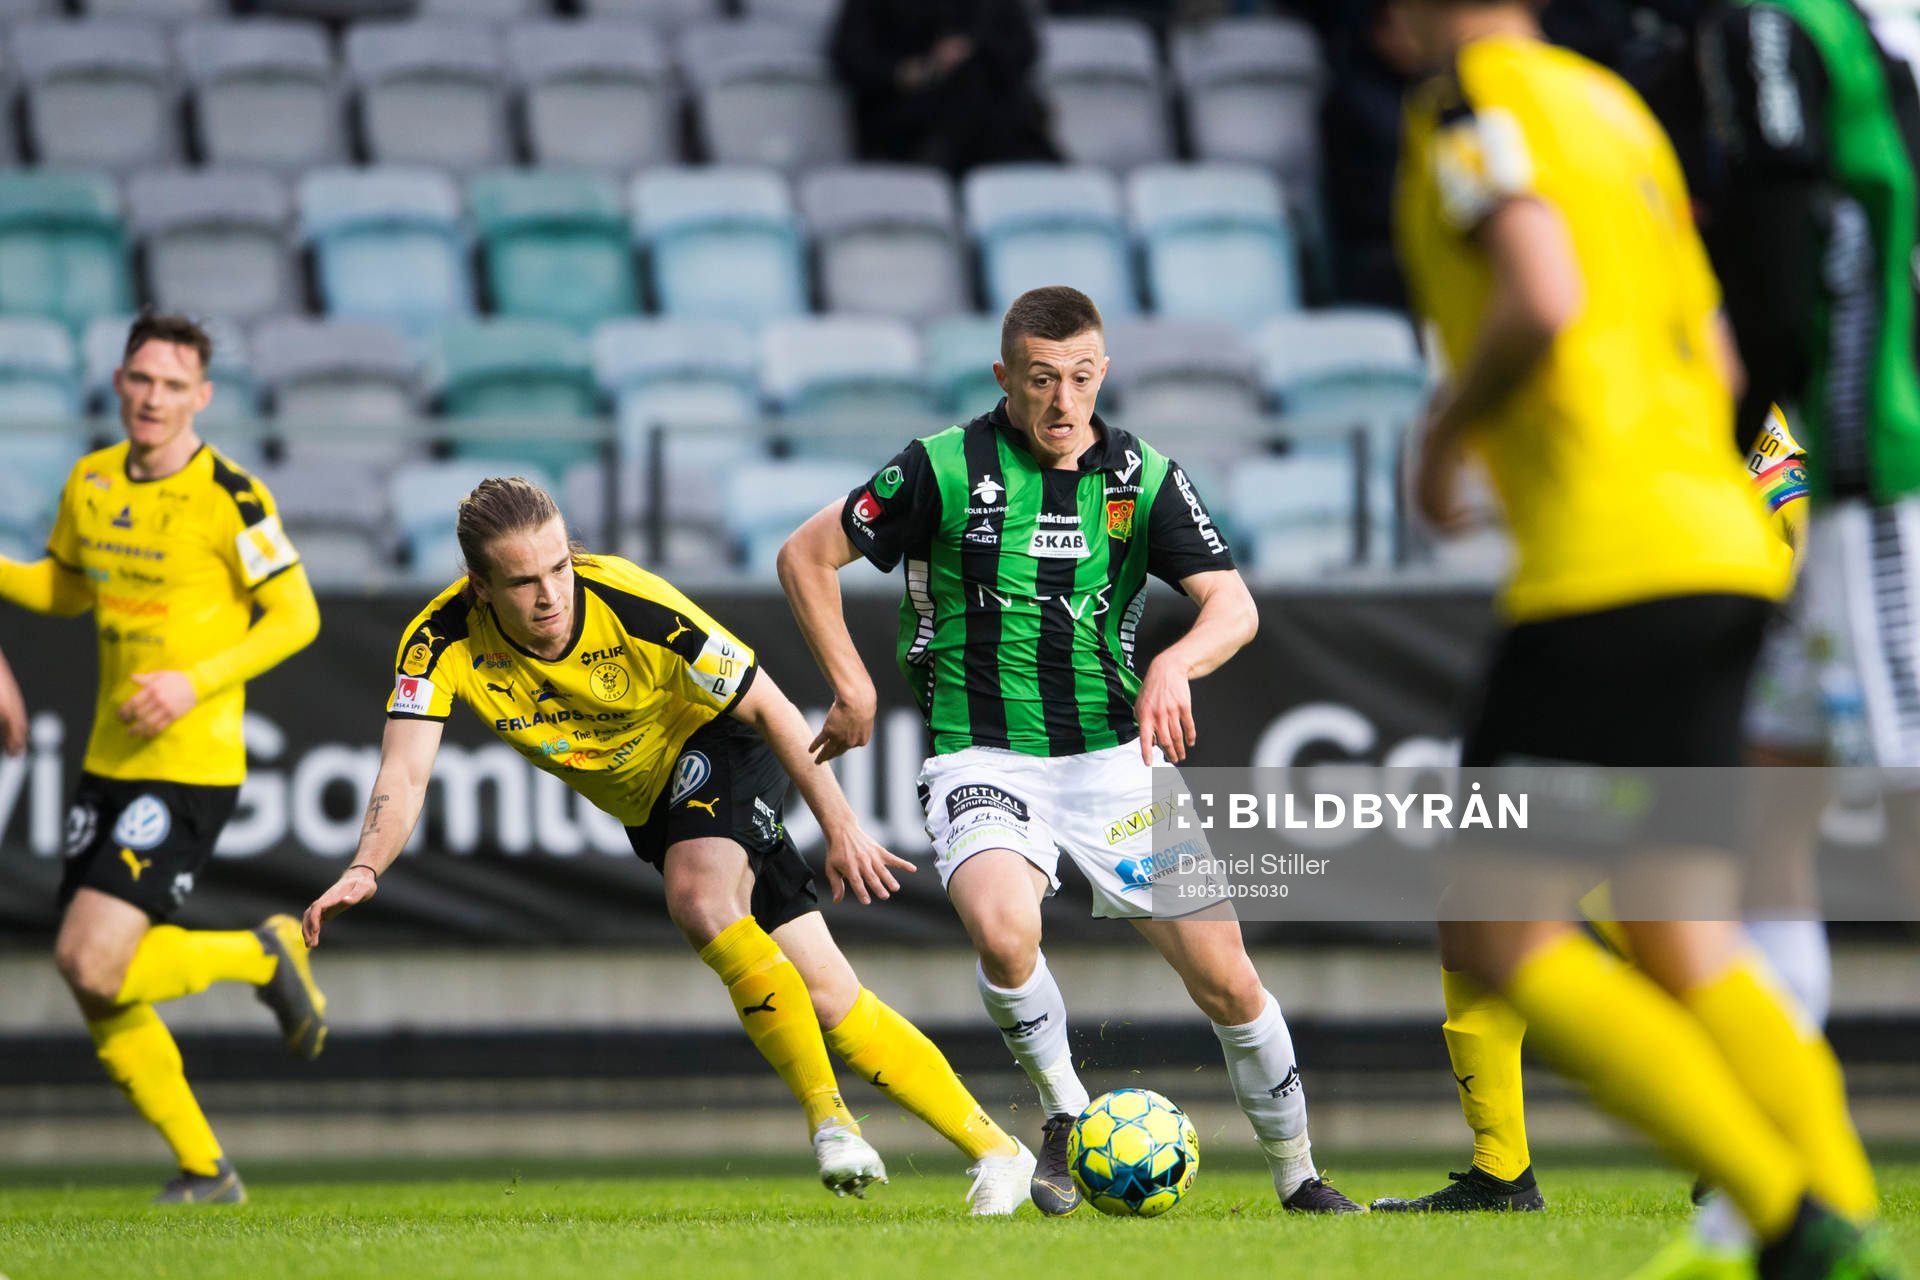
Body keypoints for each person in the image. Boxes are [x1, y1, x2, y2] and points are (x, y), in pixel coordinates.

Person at [1388, 3, 1895, 1278]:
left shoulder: (1470, 103)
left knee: (1497, 926)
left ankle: (1789, 1218)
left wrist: (1447, 438)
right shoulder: (1622, 115)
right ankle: (1844, 1219)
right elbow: (1725, 350)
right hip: (1725, 543)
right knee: (1681, 932)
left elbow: (1540, 288)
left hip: (1606, 568)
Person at [776, 284, 1362, 1217]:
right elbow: (806, 556)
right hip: (984, 758)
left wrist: (1175, 665)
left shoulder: (1143, 478)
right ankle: (1065, 1111)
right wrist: (851, 687)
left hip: (1113, 763)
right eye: (1042, 379)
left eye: (1082, 378)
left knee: (1226, 977)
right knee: (1006, 928)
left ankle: (1300, 1178)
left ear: (1103, 375)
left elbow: (1234, 607)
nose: (1063, 402)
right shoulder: (940, 467)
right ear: (1004, 375)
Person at [299, 478, 1037, 1214]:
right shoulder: (437, 642)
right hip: (653, 807)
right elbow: (405, 769)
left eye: (560, 566)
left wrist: (841, 827)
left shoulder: (632, 603)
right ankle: (998, 1152)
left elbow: (774, 708)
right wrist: (366, 866)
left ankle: (830, 1121)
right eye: (523, 582)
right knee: (827, 994)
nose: (552, 594)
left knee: (699, 896)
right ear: (480, 587)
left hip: (718, 743)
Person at [0, 311, 325, 1204]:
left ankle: (264, 955)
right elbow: (65, 587)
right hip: (109, 759)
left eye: (173, 385)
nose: (153, 398)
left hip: (190, 762)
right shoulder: (92, 481)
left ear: (202, 398)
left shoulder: (233, 497)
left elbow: (299, 616)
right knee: (96, 981)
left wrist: (195, 681)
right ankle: (203, 1167)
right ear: (117, 383)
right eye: (141, 380)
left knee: (90, 962)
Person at [829, 0, 1058, 177]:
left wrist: (967, 52)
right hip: (906, 120)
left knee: (976, 82)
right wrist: (920, 68)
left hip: (991, 118)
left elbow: (1024, 49)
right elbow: (851, 57)